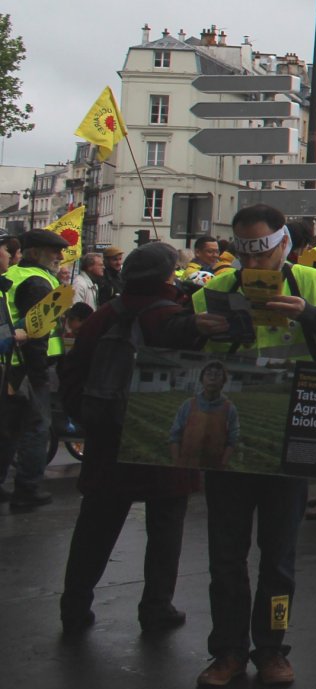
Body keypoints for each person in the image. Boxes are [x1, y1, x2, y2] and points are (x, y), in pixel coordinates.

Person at [191, 202, 316, 689]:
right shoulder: (213, 291)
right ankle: (227, 650)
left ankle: (271, 648)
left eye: (262, 254)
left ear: (284, 244)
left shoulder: (311, 284)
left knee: (279, 555)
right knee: (226, 555)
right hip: (228, 437)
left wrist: (311, 316)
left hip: (290, 437)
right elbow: (172, 348)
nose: (254, 265)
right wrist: (192, 328)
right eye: (244, 255)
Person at [58, 241, 220, 636]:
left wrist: (92, 420)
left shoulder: (104, 316)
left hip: (108, 439)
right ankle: (156, 608)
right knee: (165, 527)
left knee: (94, 528)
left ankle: (74, 607)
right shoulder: (174, 317)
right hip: (164, 438)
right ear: (167, 277)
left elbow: (72, 374)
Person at [3, 228, 69, 509]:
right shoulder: (38, 282)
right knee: (36, 427)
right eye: (54, 251)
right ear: (35, 252)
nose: (60, 257)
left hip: (10, 365)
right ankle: (28, 488)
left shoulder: (14, 274)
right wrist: (39, 374)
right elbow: (37, 333)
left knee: (8, 429)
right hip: (29, 367)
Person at [169, 361, 240, 469]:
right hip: (186, 465)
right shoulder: (188, 405)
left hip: (214, 467)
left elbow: (232, 441)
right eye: (208, 374)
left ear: (223, 381)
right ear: (201, 380)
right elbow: (175, 436)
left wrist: (223, 464)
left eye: (217, 375)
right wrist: (176, 462)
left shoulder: (230, 409)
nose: (212, 378)